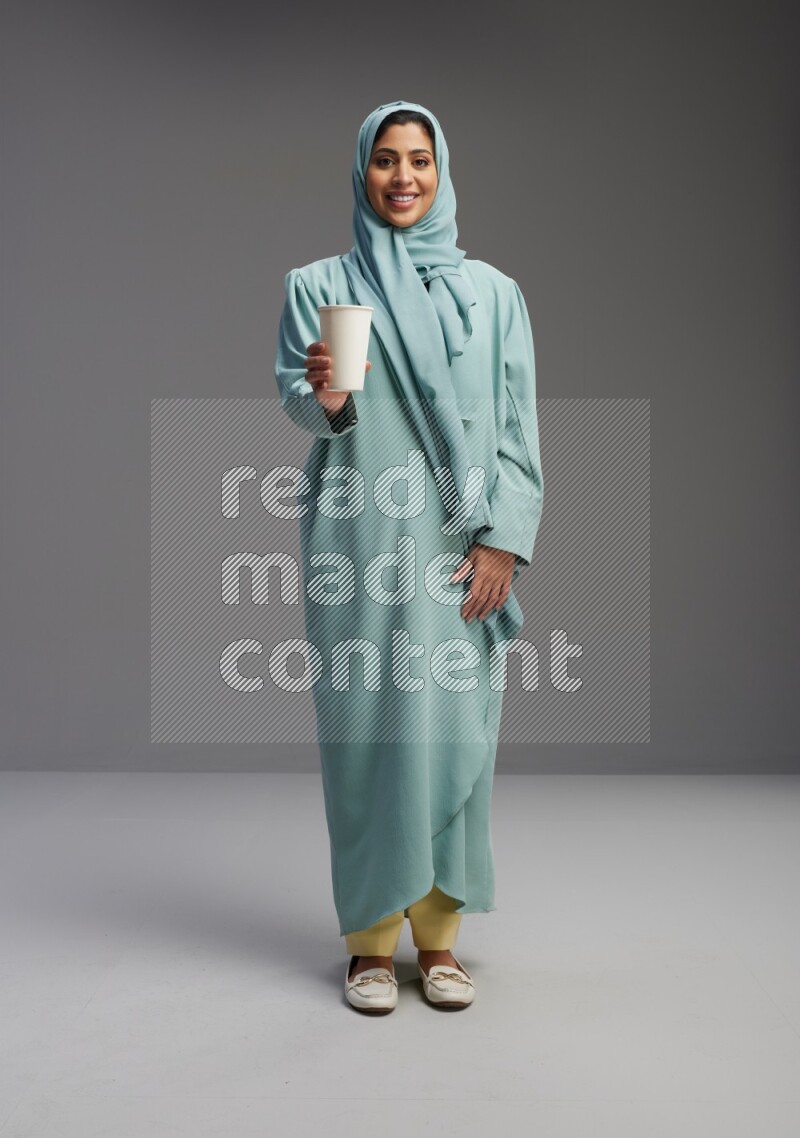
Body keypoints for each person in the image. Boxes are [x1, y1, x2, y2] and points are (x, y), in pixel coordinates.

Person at [274, 100, 543, 1014]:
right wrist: (329, 395)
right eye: (385, 161)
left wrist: (504, 538)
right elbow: (303, 407)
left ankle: (439, 942)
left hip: (460, 554)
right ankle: (368, 946)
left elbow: (516, 431)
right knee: (367, 739)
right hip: (359, 544)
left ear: (442, 170)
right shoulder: (318, 284)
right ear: (362, 173)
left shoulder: (494, 293)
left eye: (419, 160)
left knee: (456, 732)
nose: (402, 178)